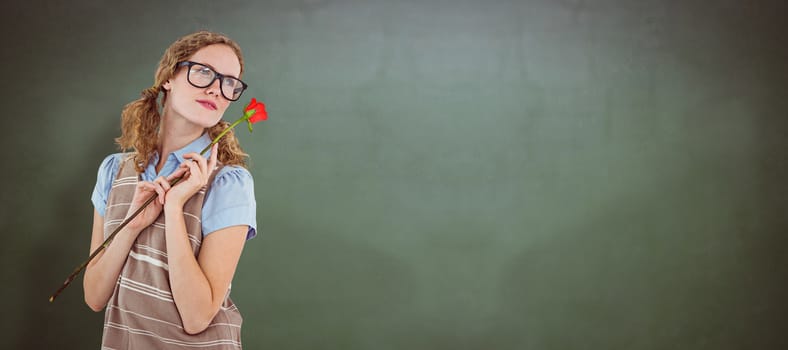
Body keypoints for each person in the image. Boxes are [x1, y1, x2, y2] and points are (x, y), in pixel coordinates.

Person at [83, 31, 257, 349]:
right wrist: (131, 226)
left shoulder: (228, 184)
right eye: (204, 72)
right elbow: (94, 297)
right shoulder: (114, 171)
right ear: (169, 77)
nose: (217, 89)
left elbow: (197, 317)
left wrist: (175, 208)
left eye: (230, 83)